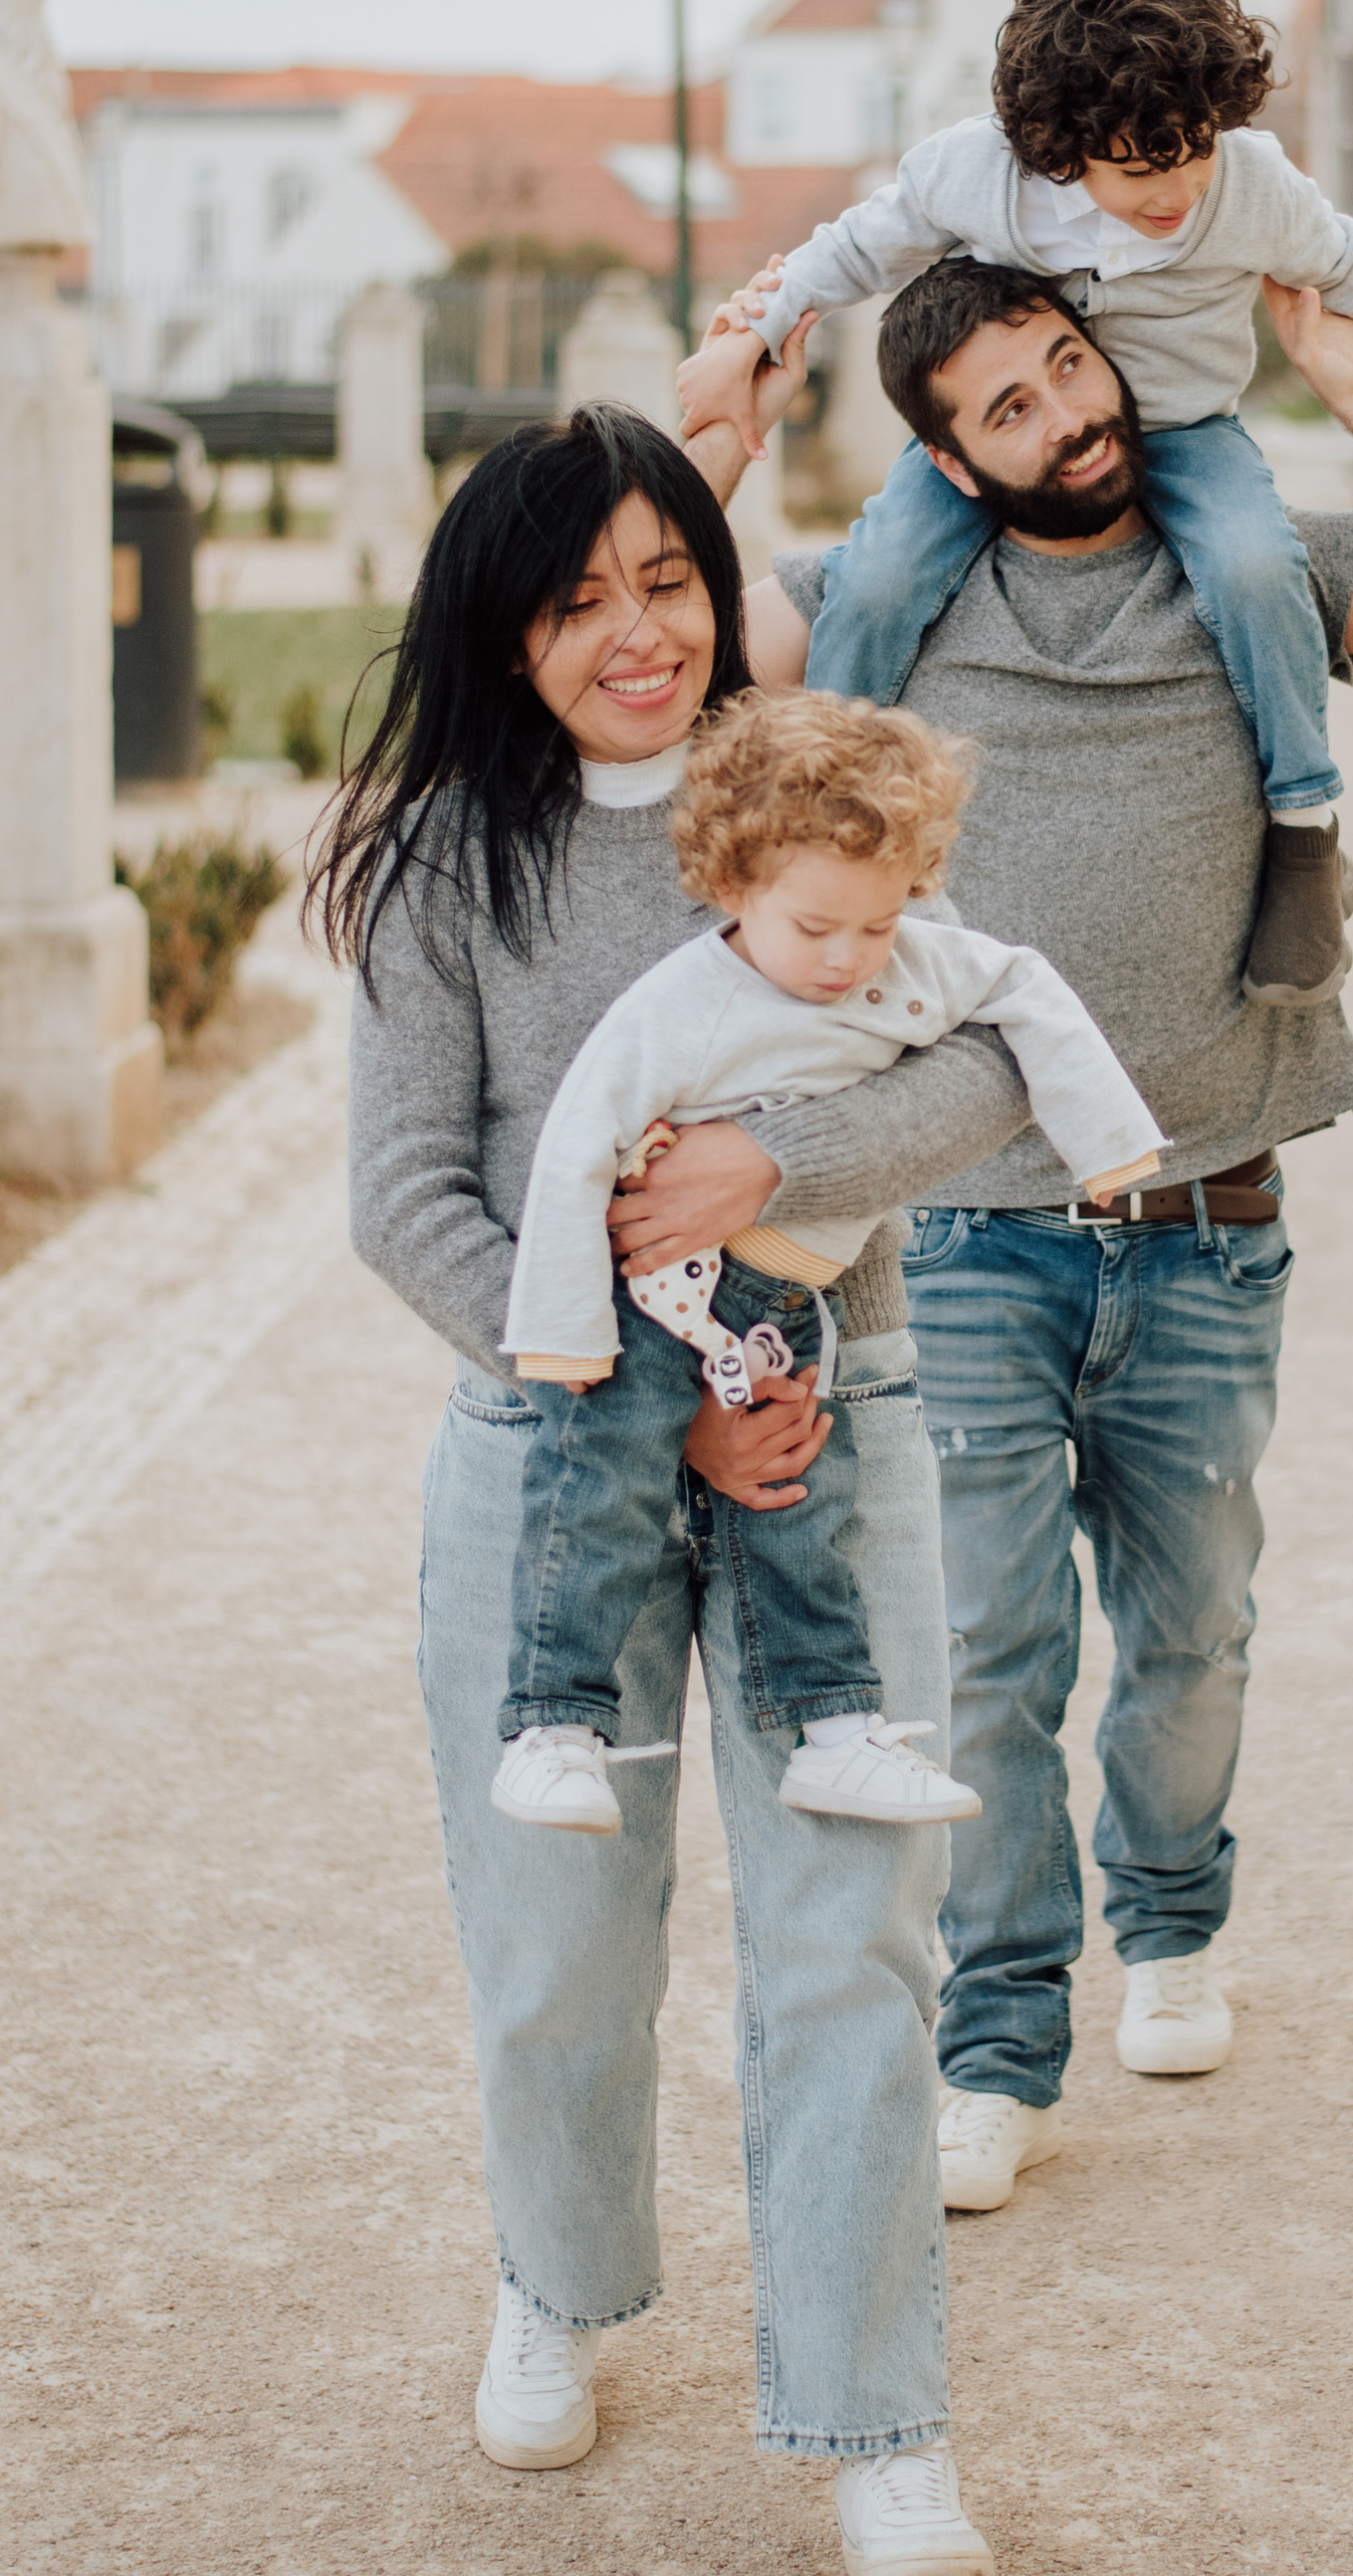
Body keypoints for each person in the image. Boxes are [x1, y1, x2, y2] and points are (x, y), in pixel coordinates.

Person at [686, 260, 1353, 2214]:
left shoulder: (1248, 572)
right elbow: (673, 650)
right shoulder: (885, 604)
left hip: (1206, 1215)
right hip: (963, 1242)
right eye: (1002, 409)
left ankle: (1172, 1921)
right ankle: (999, 2031)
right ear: (941, 457)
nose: (1062, 420)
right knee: (999, 1654)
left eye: (1066, 372)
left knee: (1188, 1633)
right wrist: (729, 430)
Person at [320, 399, 1039, 2576]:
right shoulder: (445, 858)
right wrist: (648, 1383)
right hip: (556, 1455)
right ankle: (552, 2278)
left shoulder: (813, 779)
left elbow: (996, 1057)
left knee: (853, 1940)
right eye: (577, 596)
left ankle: (877, 2428)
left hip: (842, 1418)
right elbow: (401, 1201)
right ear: (501, 627)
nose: (637, 632)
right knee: (551, 1941)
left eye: (669, 579)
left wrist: (779, 1177)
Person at [674, 0, 1353, 1009]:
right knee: (875, 582)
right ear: (1060, 149)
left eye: (1194, 150)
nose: (1177, 193)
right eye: (1138, 170)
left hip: (1188, 434)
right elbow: (851, 248)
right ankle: (827, 809)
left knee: (1257, 571)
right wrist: (751, 335)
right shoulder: (976, 173)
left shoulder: (1250, 185)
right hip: (1015, 443)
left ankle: (1302, 824)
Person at [493, 687, 1163, 1834]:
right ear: (732, 881)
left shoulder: (912, 960)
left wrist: (1107, 1144)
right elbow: (571, 1152)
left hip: (782, 1303)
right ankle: (552, 1729)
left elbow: (1022, 989)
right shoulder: (680, 1006)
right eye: (815, 930)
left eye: (880, 922)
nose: (850, 959)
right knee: (597, 1488)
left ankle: (836, 1728)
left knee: (806, 1500)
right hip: (653, 1293)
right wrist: (565, 1332)